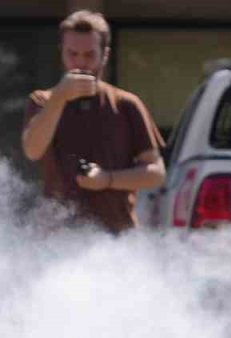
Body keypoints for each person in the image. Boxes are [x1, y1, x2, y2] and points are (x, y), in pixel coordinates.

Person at [21, 10, 165, 233]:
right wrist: (60, 98)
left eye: (89, 55)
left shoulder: (126, 104)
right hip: (57, 237)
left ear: (104, 55)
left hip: (116, 237)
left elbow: (155, 173)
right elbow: (32, 150)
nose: (80, 63)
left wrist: (107, 179)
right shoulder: (43, 101)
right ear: (61, 52)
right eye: (72, 54)